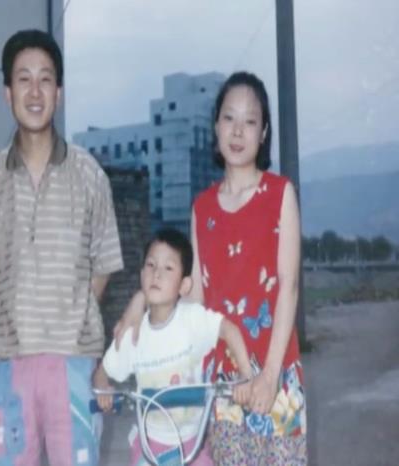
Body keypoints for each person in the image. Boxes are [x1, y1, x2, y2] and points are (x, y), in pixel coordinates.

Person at [115, 71, 307, 464]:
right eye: (228, 118)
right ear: (216, 126)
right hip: (223, 384)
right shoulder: (202, 208)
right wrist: (140, 305)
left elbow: (288, 286)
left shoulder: (279, 194)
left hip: (276, 376)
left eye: (249, 121)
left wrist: (270, 376)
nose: (237, 131)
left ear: (263, 132)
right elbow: (193, 296)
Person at [0, 29, 123, 466]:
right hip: (8, 364)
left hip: (73, 364)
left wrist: (69, 318)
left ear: (60, 93)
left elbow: (103, 265)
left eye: (45, 80)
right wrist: (21, 320)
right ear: (7, 93)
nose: (35, 92)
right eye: (24, 80)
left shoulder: (90, 176)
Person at [93, 228, 253, 466]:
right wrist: (103, 391)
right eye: (151, 265)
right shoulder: (133, 335)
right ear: (141, 275)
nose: (157, 274)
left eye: (168, 268)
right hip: (150, 445)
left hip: (192, 443)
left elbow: (229, 330)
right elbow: (102, 374)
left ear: (184, 285)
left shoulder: (192, 320)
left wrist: (246, 376)